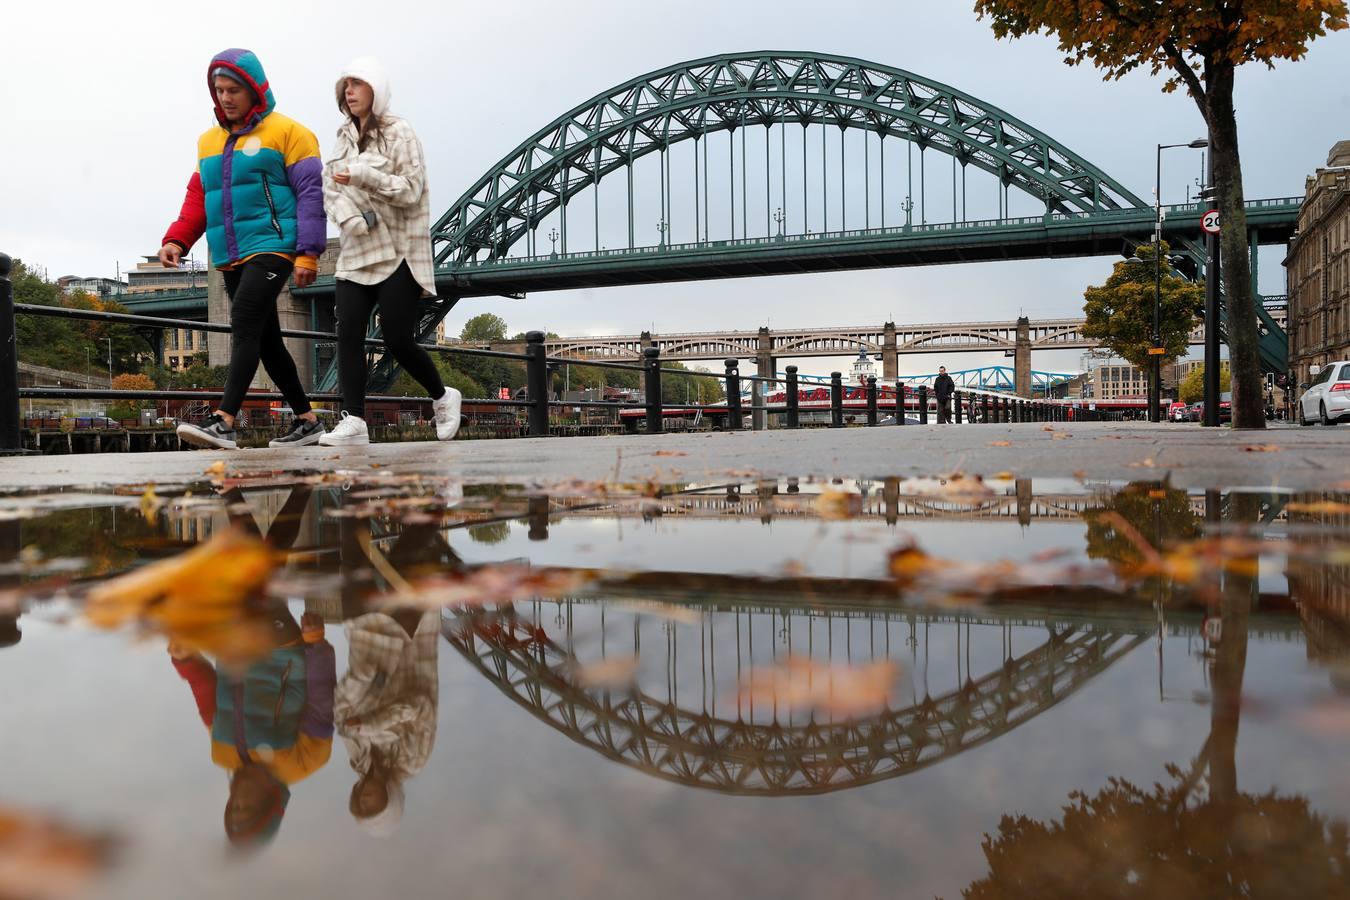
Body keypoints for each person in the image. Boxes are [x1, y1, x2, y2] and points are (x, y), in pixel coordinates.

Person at [160, 48, 328, 451]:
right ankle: (308, 422)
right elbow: (200, 197)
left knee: (245, 321)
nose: (225, 98)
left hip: (273, 245)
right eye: (219, 90)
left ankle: (224, 421)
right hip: (231, 254)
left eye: (233, 89)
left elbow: (310, 194)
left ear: (255, 90)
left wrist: (308, 252)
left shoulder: (290, 133)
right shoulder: (208, 143)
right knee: (267, 340)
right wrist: (177, 238)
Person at [318, 57, 461, 447]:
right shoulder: (342, 136)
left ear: (376, 90)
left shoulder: (401, 133)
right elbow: (330, 187)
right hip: (357, 250)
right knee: (347, 332)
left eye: (358, 84)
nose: (349, 92)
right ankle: (354, 421)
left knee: (397, 339)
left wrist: (364, 176)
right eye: (345, 85)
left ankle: (443, 396)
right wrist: (352, 219)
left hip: (398, 249)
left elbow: (411, 189)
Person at [169, 605, 335, 848]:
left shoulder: (223, 753)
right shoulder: (304, 763)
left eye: (233, 806)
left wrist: (185, 660)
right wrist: (316, 645)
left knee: (231, 589)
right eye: (247, 807)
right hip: (278, 649)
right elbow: (321, 702)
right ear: (269, 804)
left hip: (231, 648)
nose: (239, 799)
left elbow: (207, 698)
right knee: (261, 592)